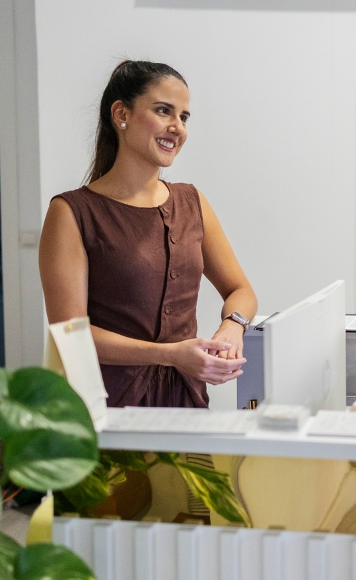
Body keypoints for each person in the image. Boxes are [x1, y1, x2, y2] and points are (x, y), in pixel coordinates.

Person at [39, 60, 257, 408]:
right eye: (163, 111)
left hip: (186, 400)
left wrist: (233, 326)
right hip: (105, 407)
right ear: (121, 114)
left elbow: (241, 290)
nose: (177, 127)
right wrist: (170, 355)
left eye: (184, 117)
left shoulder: (192, 201)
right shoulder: (71, 212)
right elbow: (71, 336)